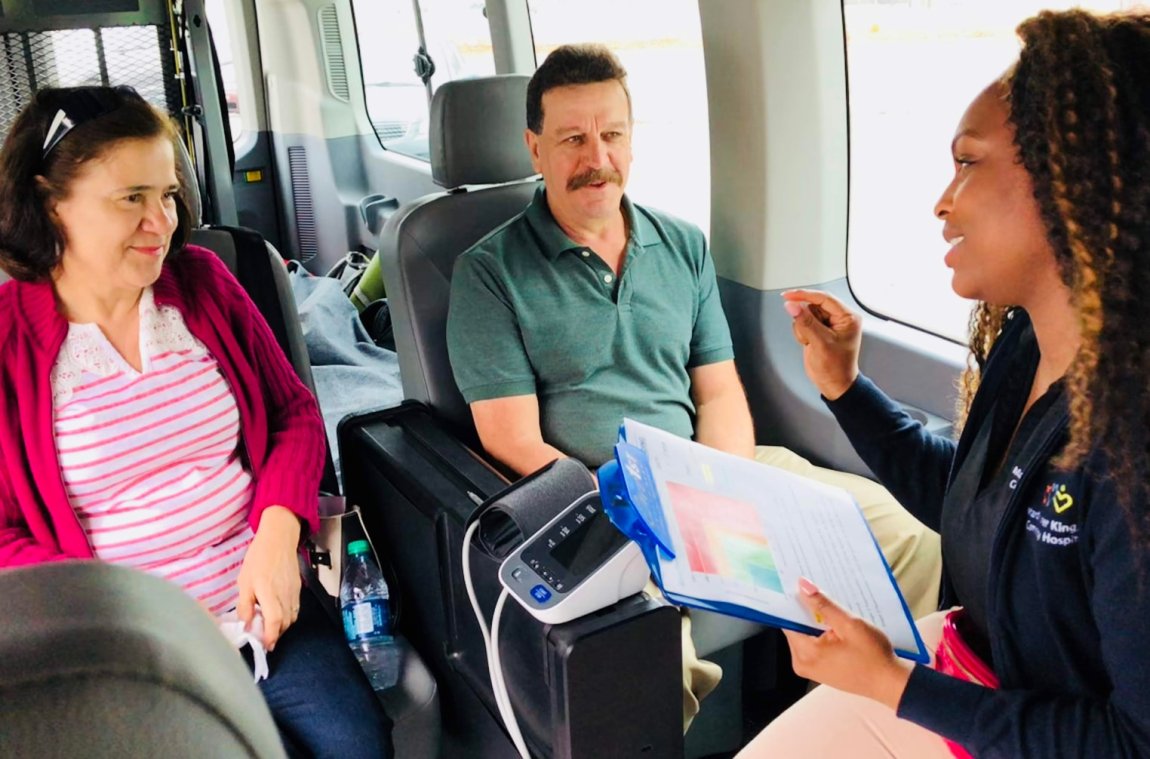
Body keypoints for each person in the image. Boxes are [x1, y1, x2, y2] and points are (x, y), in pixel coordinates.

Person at [446, 43, 942, 724]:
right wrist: (639, 506)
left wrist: (723, 486)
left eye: (612, 135)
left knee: (910, 537)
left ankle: (861, 728)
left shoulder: (681, 244)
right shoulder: (489, 271)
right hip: (594, 500)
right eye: (572, 139)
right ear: (535, 149)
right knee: (643, 651)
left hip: (705, 471)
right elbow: (510, 437)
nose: (598, 158)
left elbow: (717, 391)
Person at [739, 9, 1150, 758]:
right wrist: (846, 389)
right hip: (984, 679)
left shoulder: (1131, 437)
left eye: (968, 162)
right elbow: (976, 510)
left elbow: (1132, 740)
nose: (942, 199)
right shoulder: (1025, 343)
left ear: (1068, 176)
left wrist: (897, 686)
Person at [0, 86, 391, 758]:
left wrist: (276, 535)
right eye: (132, 199)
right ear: (49, 203)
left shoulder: (203, 283)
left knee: (358, 745)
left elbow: (294, 411)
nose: (164, 222)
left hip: (270, 617)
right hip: (133, 651)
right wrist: (124, 619)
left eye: (169, 195)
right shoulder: (10, 346)